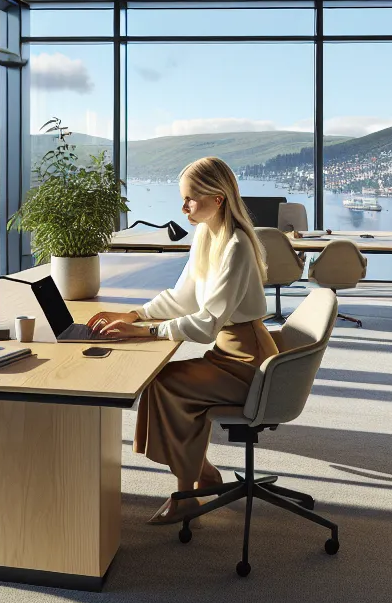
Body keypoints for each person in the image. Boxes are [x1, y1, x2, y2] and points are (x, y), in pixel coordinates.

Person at [88, 156, 273, 525]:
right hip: (227, 352)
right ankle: (203, 477)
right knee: (163, 384)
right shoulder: (206, 235)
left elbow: (206, 323)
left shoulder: (236, 246)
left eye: (190, 199)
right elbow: (182, 298)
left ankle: (188, 491)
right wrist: (134, 314)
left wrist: (147, 331)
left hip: (248, 361)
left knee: (168, 386)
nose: (183, 207)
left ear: (217, 199)